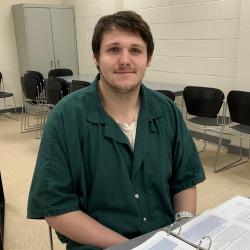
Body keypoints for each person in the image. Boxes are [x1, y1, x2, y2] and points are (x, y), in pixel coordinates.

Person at [27, 10, 205, 250]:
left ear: (147, 58)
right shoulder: (65, 117)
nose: (125, 60)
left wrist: (183, 228)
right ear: (96, 57)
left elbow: (184, 180)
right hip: (97, 245)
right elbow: (56, 208)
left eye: (135, 50)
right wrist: (133, 247)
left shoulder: (167, 111)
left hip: (163, 240)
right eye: (113, 50)